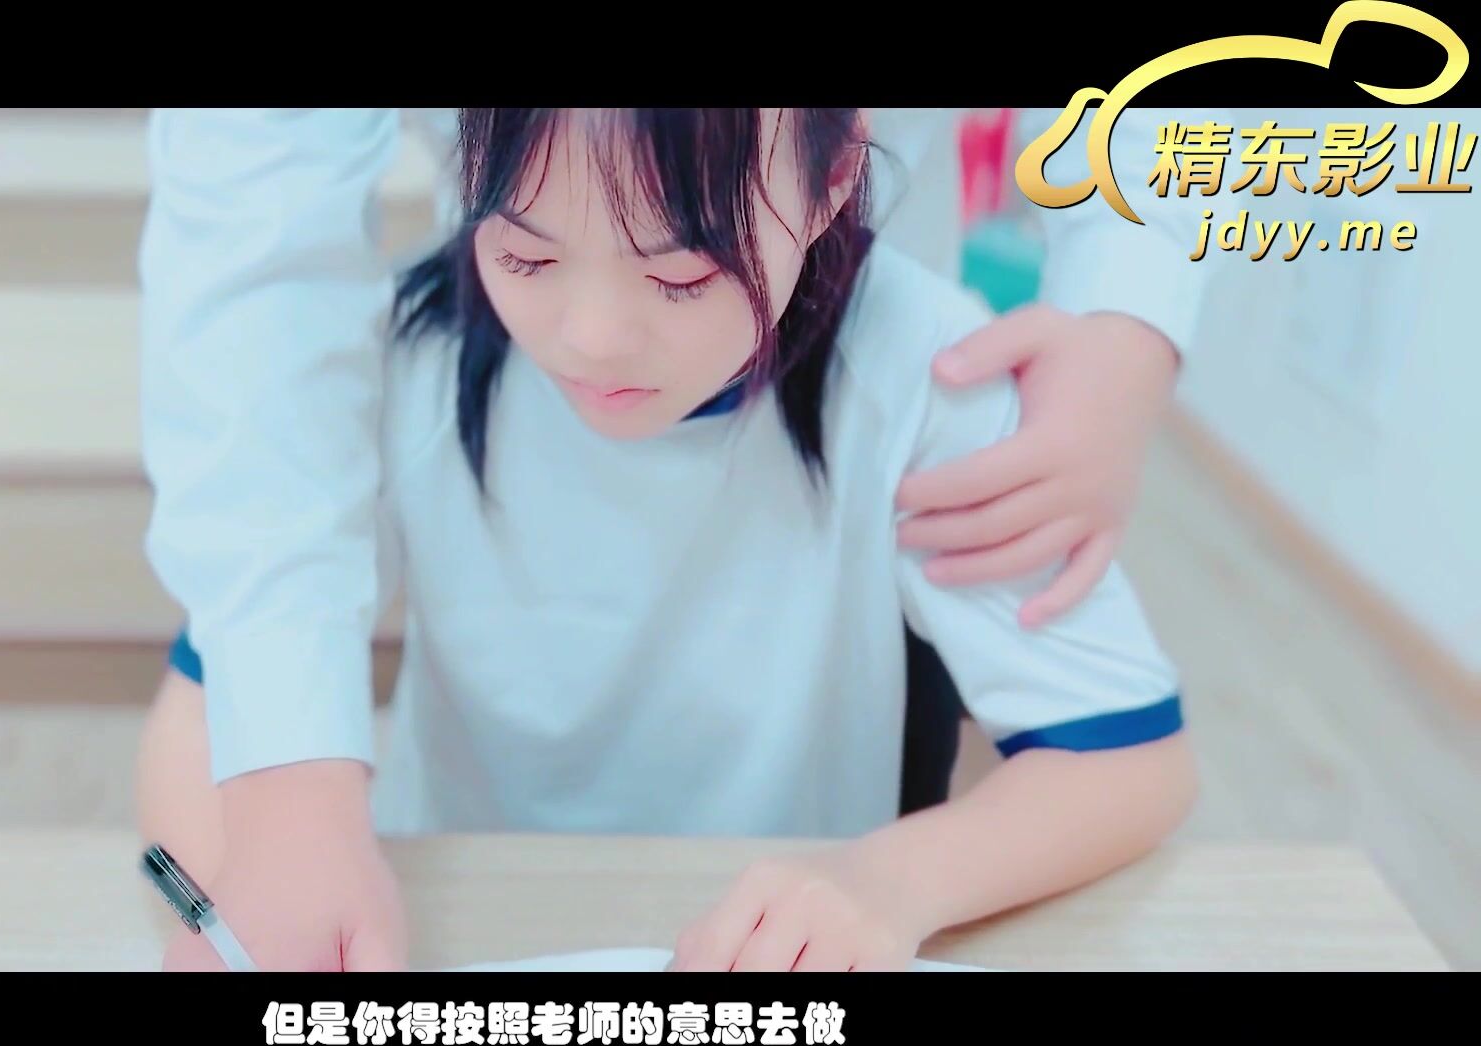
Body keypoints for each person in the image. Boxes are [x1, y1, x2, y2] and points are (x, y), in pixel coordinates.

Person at [135, 108, 1204, 973]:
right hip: (462, 919)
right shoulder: (400, 362)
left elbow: (1129, 763)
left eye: (683, 274)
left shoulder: (930, 378)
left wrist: (890, 883)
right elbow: (210, 695)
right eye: (525, 252)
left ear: (836, 178)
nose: (592, 337)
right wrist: (241, 886)